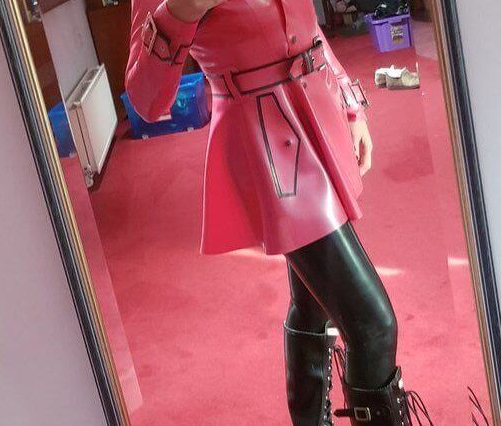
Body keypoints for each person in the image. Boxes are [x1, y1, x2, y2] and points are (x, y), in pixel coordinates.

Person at [125, 0, 433, 424]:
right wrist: (180, 12)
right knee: (373, 326)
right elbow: (146, 101)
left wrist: (349, 101)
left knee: (313, 303)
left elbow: (309, 31)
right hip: (268, 149)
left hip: (316, 116)